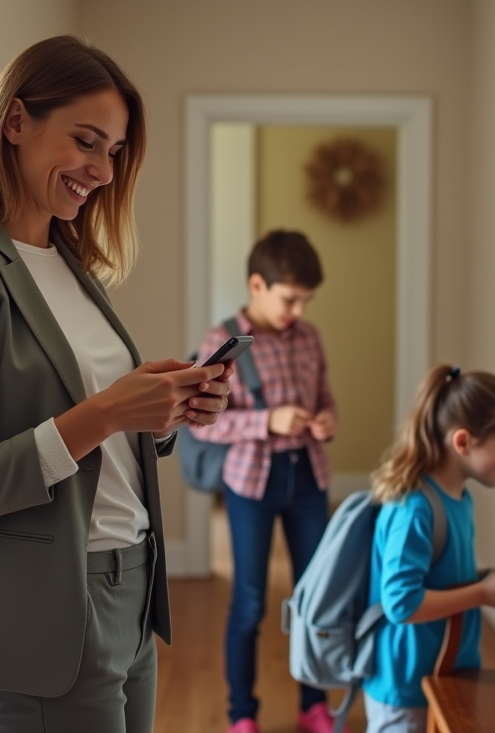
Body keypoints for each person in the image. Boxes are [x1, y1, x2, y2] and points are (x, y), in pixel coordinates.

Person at [0, 36, 232, 733]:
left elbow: (96, 434)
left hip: (133, 585)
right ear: (16, 123)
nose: (103, 171)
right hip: (49, 606)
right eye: (87, 142)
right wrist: (109, 412)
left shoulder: (72, 264)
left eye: (113, 152)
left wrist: (160, 414)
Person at [189, 230, 342, 733]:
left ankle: (313, 703)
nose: (298, 310)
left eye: (306, 301)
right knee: (250, 602)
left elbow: (326, 399)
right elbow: (201, 420)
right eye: (290, 298)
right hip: (249, 485)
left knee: (314, 595)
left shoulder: (313, 337)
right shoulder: (223, 341)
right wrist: (267, 422)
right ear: (258, 284)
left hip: (308, 480)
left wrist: (325, 421)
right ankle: (242, 715)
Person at [363, 365, 495, 733]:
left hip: (445, 671)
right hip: (406, 685)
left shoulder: (460, 498)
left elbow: (440, 579)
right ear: (463, 442)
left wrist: (486, 578)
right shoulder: (415, 509)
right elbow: (402, 604)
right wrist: (481, 594)